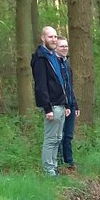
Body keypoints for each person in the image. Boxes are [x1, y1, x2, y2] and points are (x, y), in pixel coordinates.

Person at [30, 26, 69, 177]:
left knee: (58, 138)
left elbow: (61, 81)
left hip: (60, 104)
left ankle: (54, 167)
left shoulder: (54, 56)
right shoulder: (40, 58)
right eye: (50, 37)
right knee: (50, 139)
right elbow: (41, 85)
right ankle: (49, 171)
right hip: (51, 105)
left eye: (55, 37)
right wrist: (47, 108)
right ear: (43, 38)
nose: (53, 39)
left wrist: (66, 103)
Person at [56, 38, 80, 170]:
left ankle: (69, 162)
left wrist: (75, 104)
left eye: (66, 46)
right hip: (60, 104)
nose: (64, 48)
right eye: (61, 46)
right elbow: (59, 88)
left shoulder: (67, 64)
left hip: (70, 104)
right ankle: (59, 163)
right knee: (59, 135)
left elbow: (70, 87)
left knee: (69, 135)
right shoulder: (56, 64)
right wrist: (64, 105)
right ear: (56, 48)